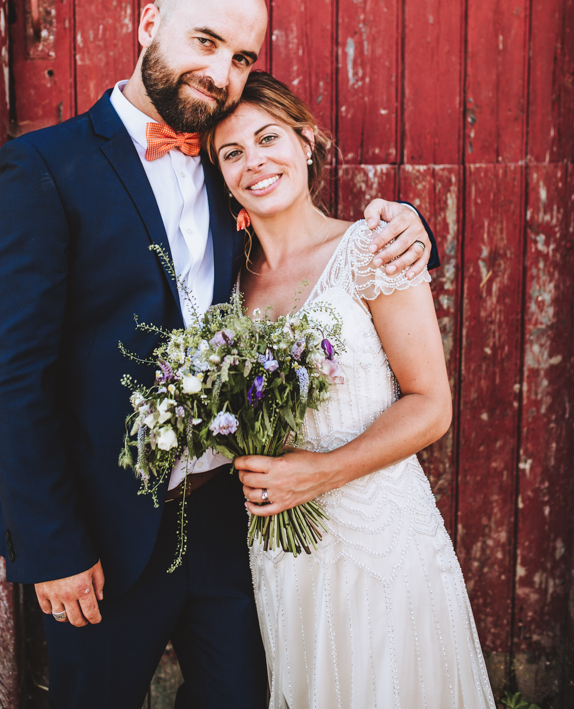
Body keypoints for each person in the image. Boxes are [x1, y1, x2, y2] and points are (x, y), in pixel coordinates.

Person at [0, 0, 438, 709]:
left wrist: (411, 229)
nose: (222, 72)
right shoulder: (45, 166)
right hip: (99, 530)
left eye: (243, 58)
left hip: (229, 522)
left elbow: (309, 254)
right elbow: (8, 373)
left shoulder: (229, 164)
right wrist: (54, 546)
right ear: (149, 25)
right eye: (206, 41)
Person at [206, 71, 496, 709]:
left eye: (268, 137)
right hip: (285, 557)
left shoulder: (373, 248)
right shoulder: (224, 290)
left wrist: (320, 473)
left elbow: (431, 406)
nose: (254, 161)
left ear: (306, 142)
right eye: (232, 152)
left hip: (380, 546)